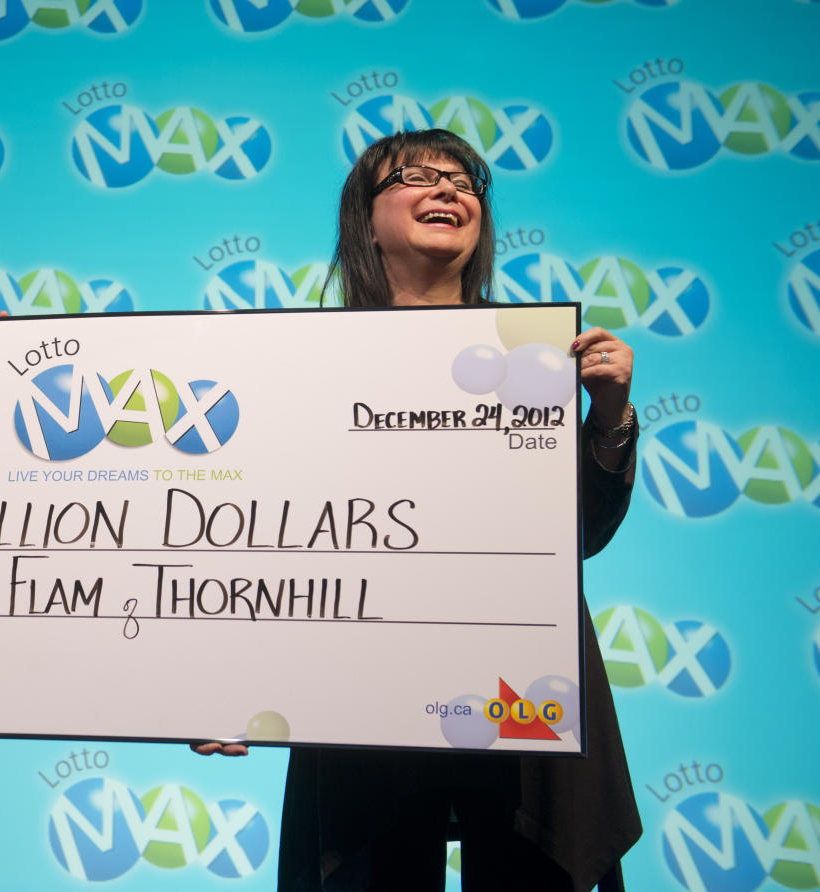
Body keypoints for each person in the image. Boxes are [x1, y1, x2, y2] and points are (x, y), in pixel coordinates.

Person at [197, 129, 642, 891]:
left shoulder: (527, 364)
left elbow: (581, 538)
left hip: (525, 723)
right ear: (365, 221)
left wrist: (607, 419)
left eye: (464, 180)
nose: (447, 189)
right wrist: (226, 684)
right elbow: (263, 548)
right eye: (414, 176)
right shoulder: (300, 369)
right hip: (361, 712)